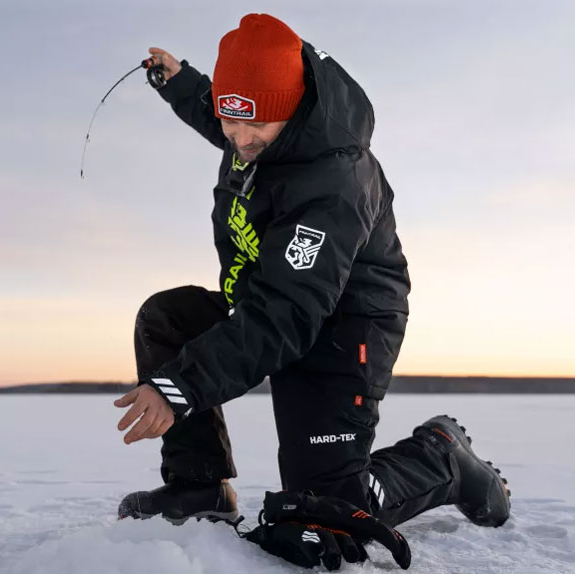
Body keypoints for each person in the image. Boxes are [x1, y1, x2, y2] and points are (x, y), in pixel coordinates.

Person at [113, 13, 510, 542]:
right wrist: (182, 82)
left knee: (329, 507)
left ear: (291, 110)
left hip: (345, 326)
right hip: (273, 301)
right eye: (232, 121)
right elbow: (226, 114)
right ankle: (199, 487)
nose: (240, 139)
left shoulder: (335, 180)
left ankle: (442, 458)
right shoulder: (254, 126)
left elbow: (285, 314)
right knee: (168, 317)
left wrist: (181, 386)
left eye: (256, 125)